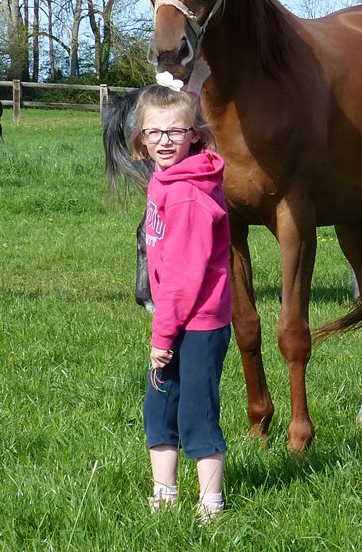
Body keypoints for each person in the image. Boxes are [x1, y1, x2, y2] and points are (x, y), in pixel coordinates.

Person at [133, 83, 232, 520]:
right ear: (141, 139)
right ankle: (164, 495)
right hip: (177, 317)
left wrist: (162, 336)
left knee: (197, 413)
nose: (164, 141)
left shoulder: (188, 194)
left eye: (175, 131)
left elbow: (182, 279)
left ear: (194, 134)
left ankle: (211, 507)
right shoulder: (164, 178)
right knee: (159, 407)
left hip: (199, 323)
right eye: (154, 132)